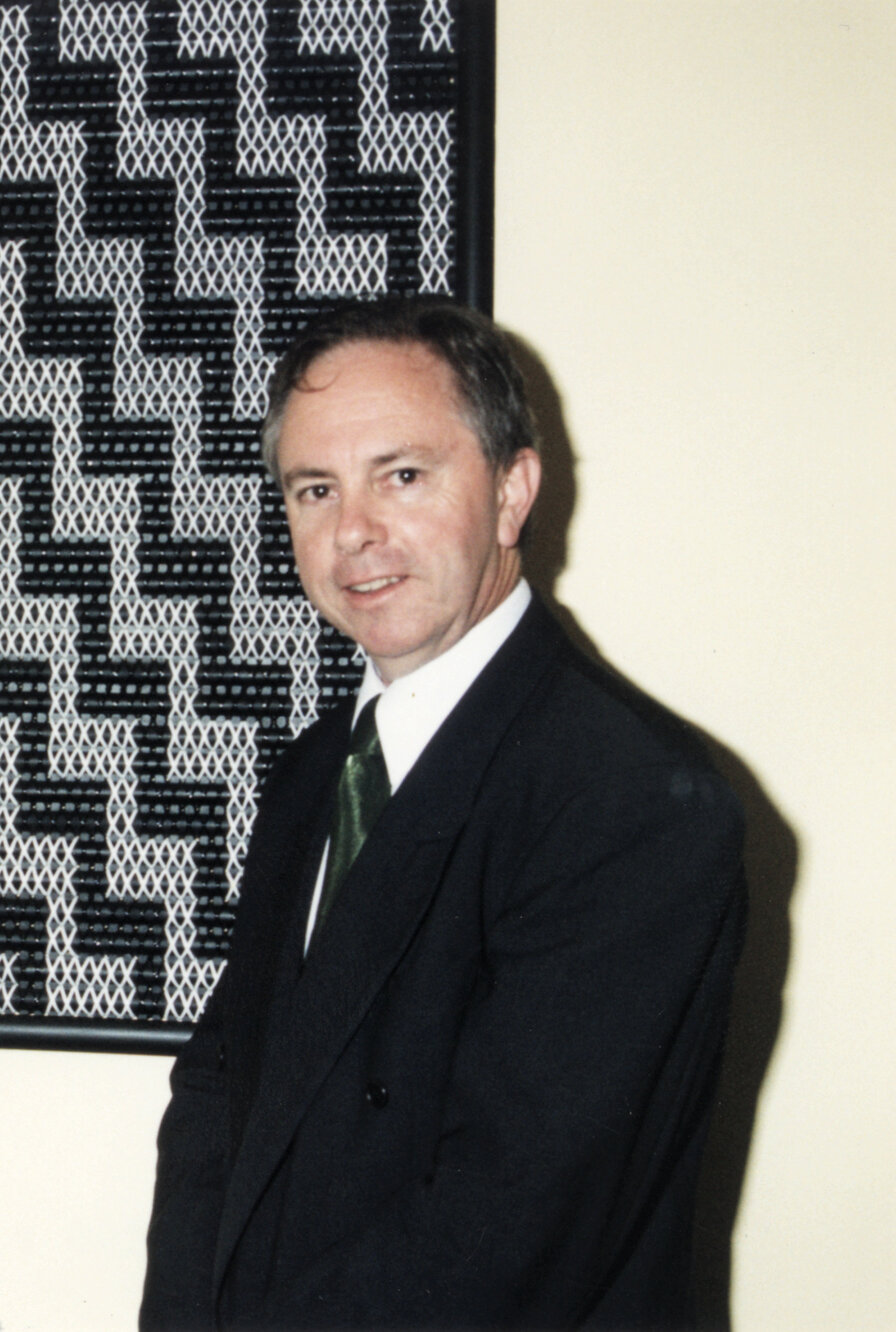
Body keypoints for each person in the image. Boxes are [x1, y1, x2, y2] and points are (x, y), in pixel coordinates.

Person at [141, 298, 747, 1329]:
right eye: (313, 489)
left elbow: (506, 1227)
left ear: (512, 488)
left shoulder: (625, 796)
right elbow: (217, 1105)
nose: (354, 534)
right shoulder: (307, 777)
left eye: (403, 476)